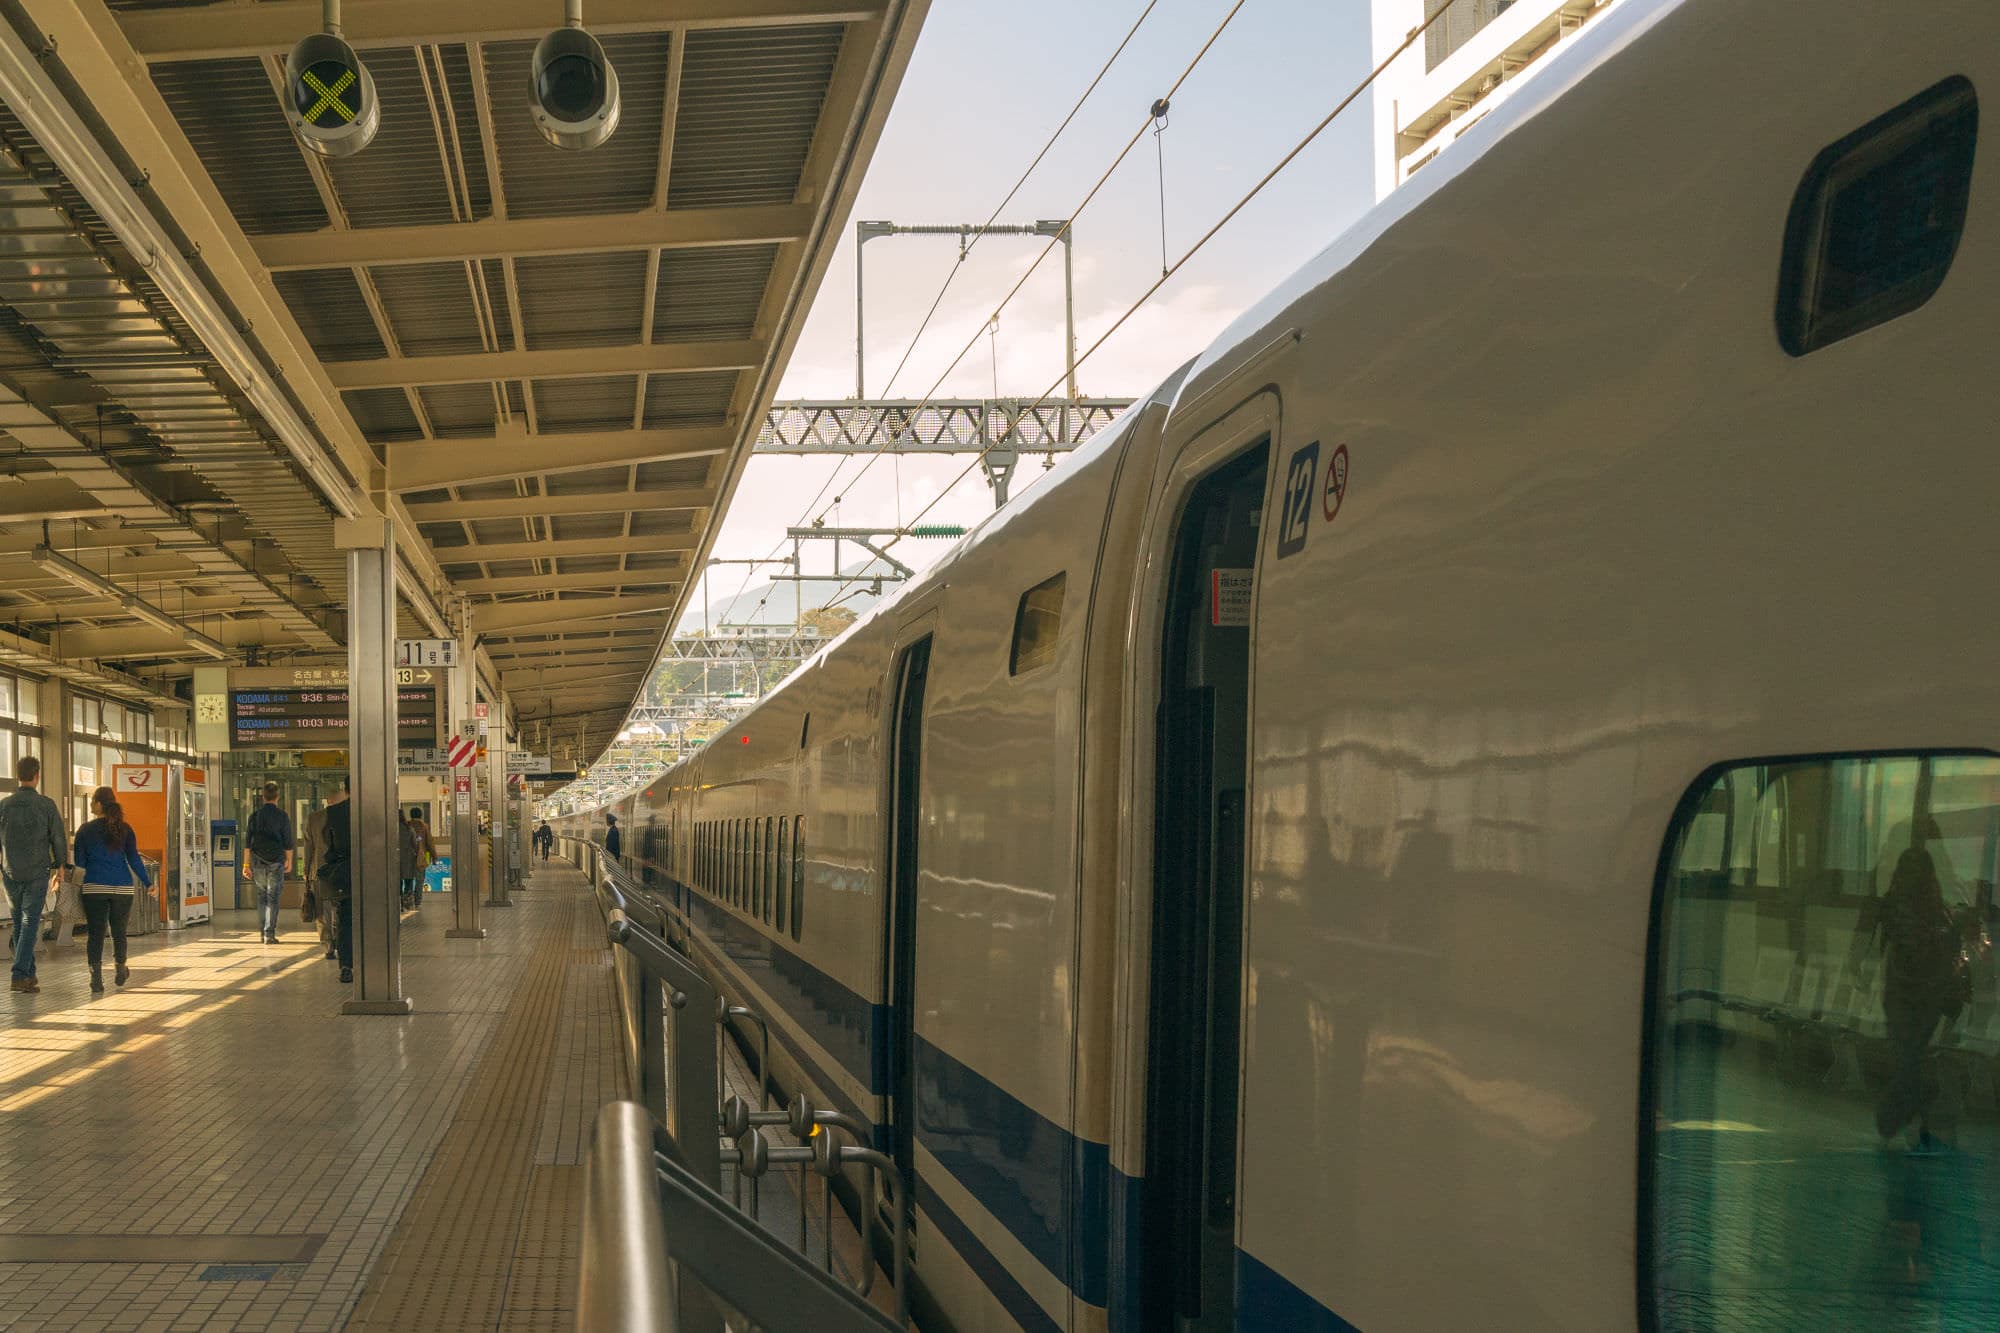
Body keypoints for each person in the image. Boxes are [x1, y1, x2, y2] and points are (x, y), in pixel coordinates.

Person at [1875, 846, 1966, 1152]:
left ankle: (1899, 1121)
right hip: (1927, 999)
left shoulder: (1892, 905)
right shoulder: (1935, 908)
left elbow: (1892, 947)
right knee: (1913, 1061)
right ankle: (1914, 1120)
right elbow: (1945, 951)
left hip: (1900, 998)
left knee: (1907, 1061)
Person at [2, 755, 68, 995]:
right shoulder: (46, 805)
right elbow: (58, 837)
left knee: (20, 922)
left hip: (10, 871)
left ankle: (29, 975)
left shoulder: (4, 805)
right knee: (30, 921)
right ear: (37, 776)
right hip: (37, 871)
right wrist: (61, 865)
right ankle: (19, 974)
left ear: (18, 776)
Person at [74, 786, 150, 993]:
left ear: (99, 804)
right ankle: (120, 968)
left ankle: (96, 978)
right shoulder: (125, 829)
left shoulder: (85, 830)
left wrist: (77, 882)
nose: (91, 805)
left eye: (92, 801)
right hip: (122, 888)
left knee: (96, 933)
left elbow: (80, 863)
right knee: (119, 932)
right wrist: (149, 883)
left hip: (94, 887)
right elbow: (134, 859)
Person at [244, 781, 295, 945]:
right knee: (273, 898)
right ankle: (269, 934)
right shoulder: (282, 816)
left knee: (261, 897)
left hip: (258, 861)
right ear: (277, 797)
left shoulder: (255, 816)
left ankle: (262, 932)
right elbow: (288, 842)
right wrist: (289, 861)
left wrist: (246, 865)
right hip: (276, 862)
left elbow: (247, 843)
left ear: (263, 797)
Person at [317, 778, 354, 983]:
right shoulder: (376, 809)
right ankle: (374, 962)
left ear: (346, 790)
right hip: (373, 870)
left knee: (345, 919)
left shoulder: (334, 812)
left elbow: (327, 842)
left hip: (344, 871)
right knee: (374, 917)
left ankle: (346, 965)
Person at [304, 785, 345, 961]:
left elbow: (309, 847)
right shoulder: (346, 817)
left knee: (322, 911)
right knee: (340, 909)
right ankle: (341, 942)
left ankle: (328, 945)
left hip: (319, 870)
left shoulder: (314, 818)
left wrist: (306, 871)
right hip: (341, 871)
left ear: (327, 800)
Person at [398, 808, 421, 911]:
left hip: (395, 859)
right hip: (408, 859)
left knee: (398, 882)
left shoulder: (390, 829)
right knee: (408, 882)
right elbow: (415, 844)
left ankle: (399, 903)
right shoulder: (409, 829)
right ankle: (407, 903)